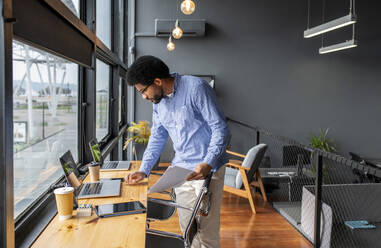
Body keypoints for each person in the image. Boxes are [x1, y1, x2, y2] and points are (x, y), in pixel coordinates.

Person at [125, 55, 230, 248]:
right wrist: (143, 169)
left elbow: (220, 128)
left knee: (206, 231)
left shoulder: (196, 88)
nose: (144, 97)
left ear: (157, 81)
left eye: (143, 91)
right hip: (181, 170)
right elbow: (157, 137)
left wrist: (207, 163)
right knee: (188, 229)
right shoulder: (158, 103)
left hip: (207, 169)